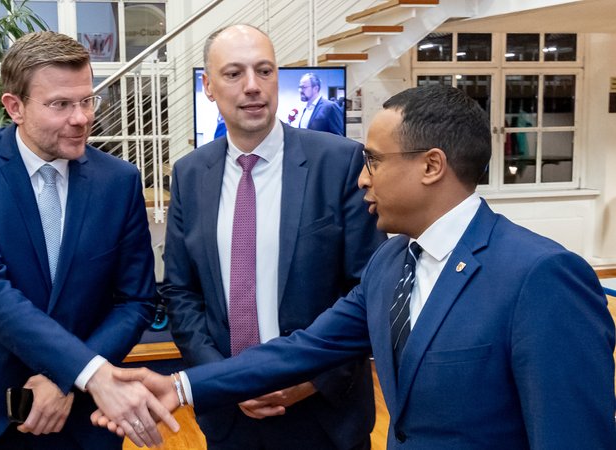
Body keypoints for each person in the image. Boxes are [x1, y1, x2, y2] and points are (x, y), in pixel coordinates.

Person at [97, 85, 616, 448]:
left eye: (374, 160)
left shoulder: (541, 276)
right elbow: (305, 347)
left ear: (431, 166)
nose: (362, 179)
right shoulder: (391, 263)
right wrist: (181, 386)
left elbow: (571, 436)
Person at [0, 31, 176, 450]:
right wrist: (86, 371)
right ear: (15, 107)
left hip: (87, 416)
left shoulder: (120, 181)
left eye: (87, 100)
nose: (81, 118)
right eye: (60, 104)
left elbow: (136, 301)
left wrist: (67, 381)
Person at [160, 24, 385, 450]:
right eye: (233, 74)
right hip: (230, 418)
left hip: (323, 416)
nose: (252, 87)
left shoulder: (339, 162)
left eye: (264, 71)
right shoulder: (190, 174)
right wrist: (227, 381)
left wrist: (311, 378)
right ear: (207, 86)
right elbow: (181, 291)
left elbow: (367, 288)